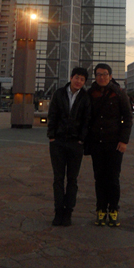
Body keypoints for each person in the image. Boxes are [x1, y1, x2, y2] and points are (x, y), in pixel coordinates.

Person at [86, 63, 133, 228]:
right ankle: (100, 209)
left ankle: (113, 210)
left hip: (115, 143)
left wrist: (124, 141)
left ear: (110, 76)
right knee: (99, 178)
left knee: (113, 178)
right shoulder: (90, 93)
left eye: (105, 74)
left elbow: (128, 118)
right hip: (96, 143)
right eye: (99, 74)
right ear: (95, 76)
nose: (102, 77)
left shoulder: (119, 93)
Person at [47, 66, 90, 227]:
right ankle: (58, 211)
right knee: (58, 178)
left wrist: (81, 139)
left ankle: (68, 212)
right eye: (76, 77)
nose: (78, 81)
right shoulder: (59, 93)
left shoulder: (85, 97)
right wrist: (51, 136)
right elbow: (52, 115)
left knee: (72, 179)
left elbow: (87, 120)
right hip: (58, 142)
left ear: (84, 82)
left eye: (82, 79)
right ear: (71, 78)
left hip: (75, 143)